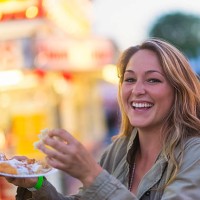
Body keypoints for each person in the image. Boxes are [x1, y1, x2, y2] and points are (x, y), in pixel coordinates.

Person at [4, 37, 200, 199]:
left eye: (153, 80)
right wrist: (35, 184)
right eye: (130, 79)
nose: (137, 90)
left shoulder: (194, 154)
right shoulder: (118, 150)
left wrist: (90, 174)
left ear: (178, 91)